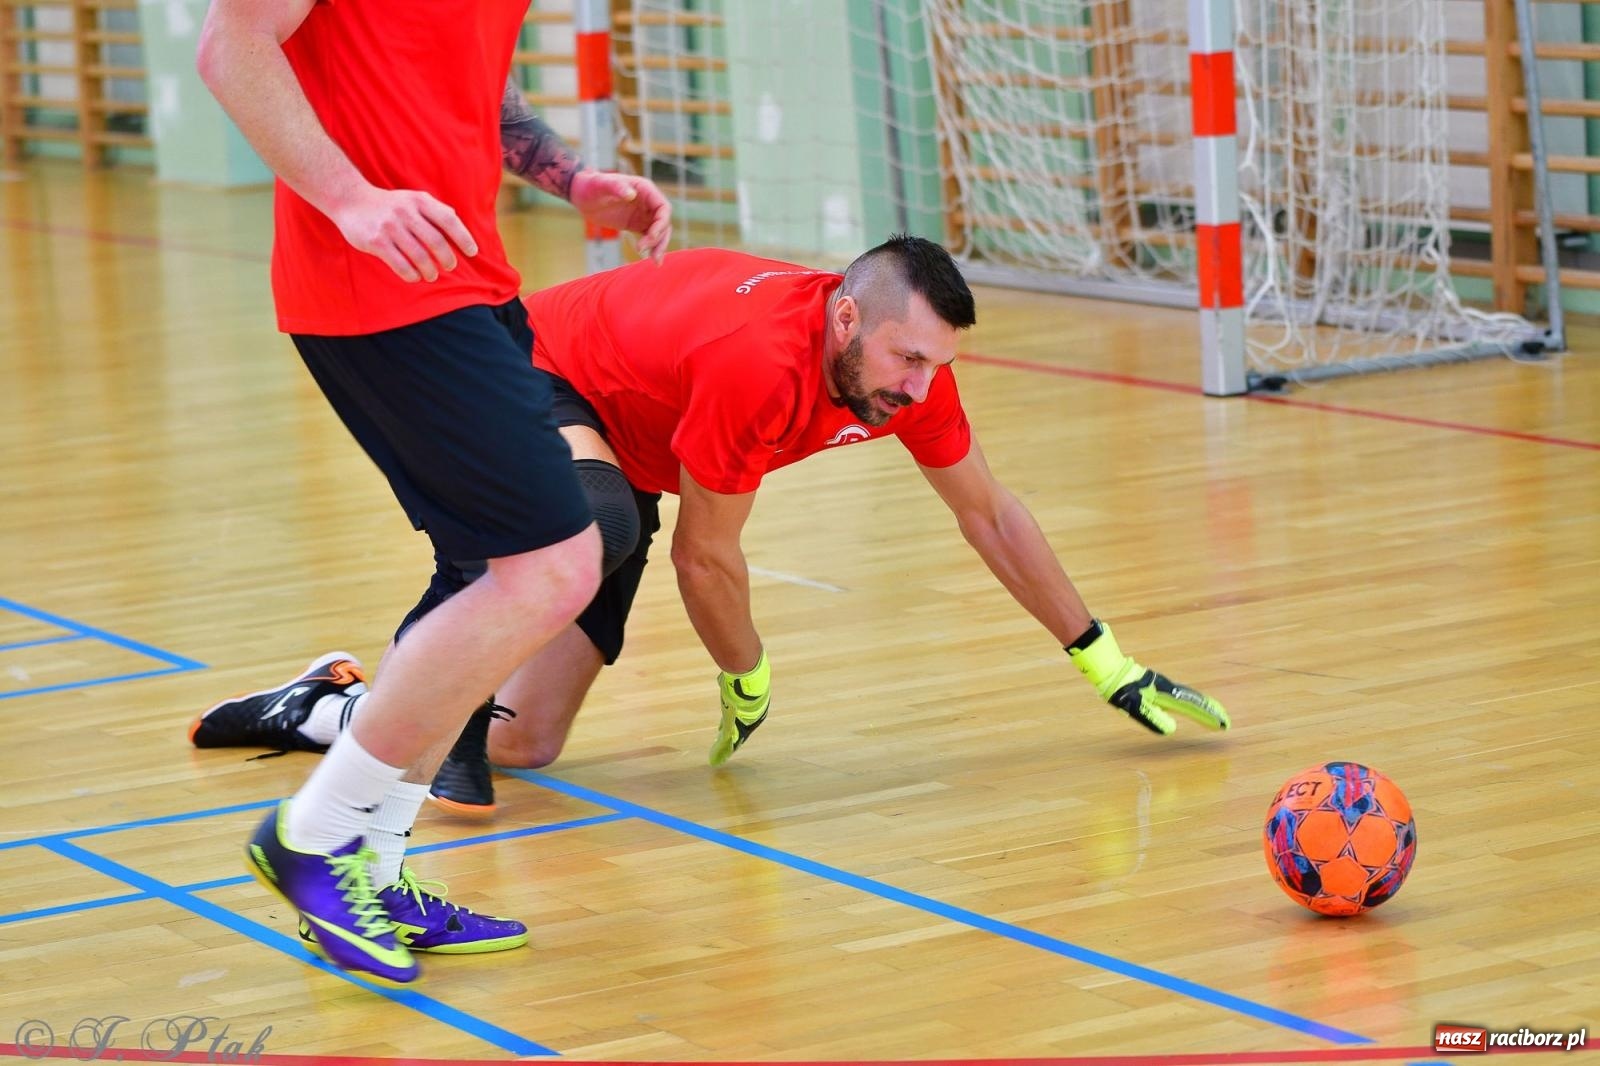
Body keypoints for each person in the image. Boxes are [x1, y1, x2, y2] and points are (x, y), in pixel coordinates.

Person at [193, 236, 1230, 834]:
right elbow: (706, 557)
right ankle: (414, 728)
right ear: (842, 322)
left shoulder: (907, 383)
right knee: (593, 522)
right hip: (537, 376)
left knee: (530, 742)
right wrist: (746, 674)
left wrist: (1105, 660)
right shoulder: (757, 363)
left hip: (628, 449)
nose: (918, 388)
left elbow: (989, 513)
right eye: (907, 358)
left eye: (934, 367)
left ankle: (322, 706)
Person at [193, 0, 672, 985]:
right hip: (377, 284)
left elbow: (463, 77)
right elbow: (230, 42)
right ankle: (317, 836)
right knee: (556, 561)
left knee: (480, 576)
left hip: (468, 275)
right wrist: (352, 198)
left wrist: (571, 178)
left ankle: (369, 867)